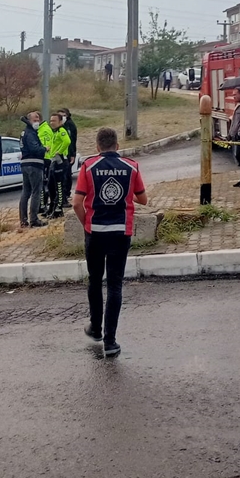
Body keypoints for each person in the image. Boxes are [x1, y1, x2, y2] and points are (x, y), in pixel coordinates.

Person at [73, 127, 148, 358]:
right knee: (115, 285)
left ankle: (96, 328)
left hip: (94, 232)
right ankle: (111, 342)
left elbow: (77, 203)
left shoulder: (88, 166)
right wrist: (127, 192)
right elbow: (143, 199)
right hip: (120, 232)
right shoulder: (132, 166)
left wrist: (87, 224)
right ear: (117, 146)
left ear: (97, 147)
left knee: (95, 280)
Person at [18, 111, 47, 228]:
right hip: (34, 164)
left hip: (25, 164)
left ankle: (23, 219)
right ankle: (34, 219)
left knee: (26, 192)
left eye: (38, 119)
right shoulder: (30, 133)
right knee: (36, 192)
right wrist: (44, 148)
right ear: (29, 120)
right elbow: (35, 149)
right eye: (35, 119)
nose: (37, 121)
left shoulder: (24, 133)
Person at [43, 112, 71, 218]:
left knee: (59, 186)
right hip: (53, 162)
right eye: (50, 121)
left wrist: (59, 152)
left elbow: (67, 141)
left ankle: (58, 209)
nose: (51, 123)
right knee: (51, 186)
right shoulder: (54, 132)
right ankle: (52, 208)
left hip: (61, 162)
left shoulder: (62, 131)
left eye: (54, 121)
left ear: (60, 122)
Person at [57, 108, 78, 208]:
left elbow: (72, 141)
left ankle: (66, 194)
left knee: (66, 175)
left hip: (67, 154)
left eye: (63, 114)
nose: (62, 117)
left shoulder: (70, 125)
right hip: (58, 154)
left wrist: (72, 154)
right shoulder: (58, 126)